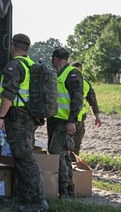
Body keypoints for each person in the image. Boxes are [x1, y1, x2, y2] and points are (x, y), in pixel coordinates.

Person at [0, 33, 49, 212]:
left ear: (13, 46)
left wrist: (0, 117)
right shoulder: (31, 64)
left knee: (25, 158)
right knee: (20, 156)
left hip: (18, 117)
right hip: (29, 117)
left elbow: (9, 93)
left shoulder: (15, 65)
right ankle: (22, 196)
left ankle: (37, 202)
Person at [49, 47, 84, 199]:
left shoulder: (73, 74)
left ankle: (64, 191)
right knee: (63, 155)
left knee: (57, 153)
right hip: (56, 121)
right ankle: (69, 190)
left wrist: (72, 121)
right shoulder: (58, 73)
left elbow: (77, 100)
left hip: (65, 122)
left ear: (55, 58)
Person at [70, 61, 102, 160]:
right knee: (69, 147)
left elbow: (93, 101)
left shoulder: (86, 83)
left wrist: (97, 117)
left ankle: (73, 167)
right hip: (68, 120)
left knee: (76, 147)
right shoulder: (67, 81)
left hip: (79, 122)